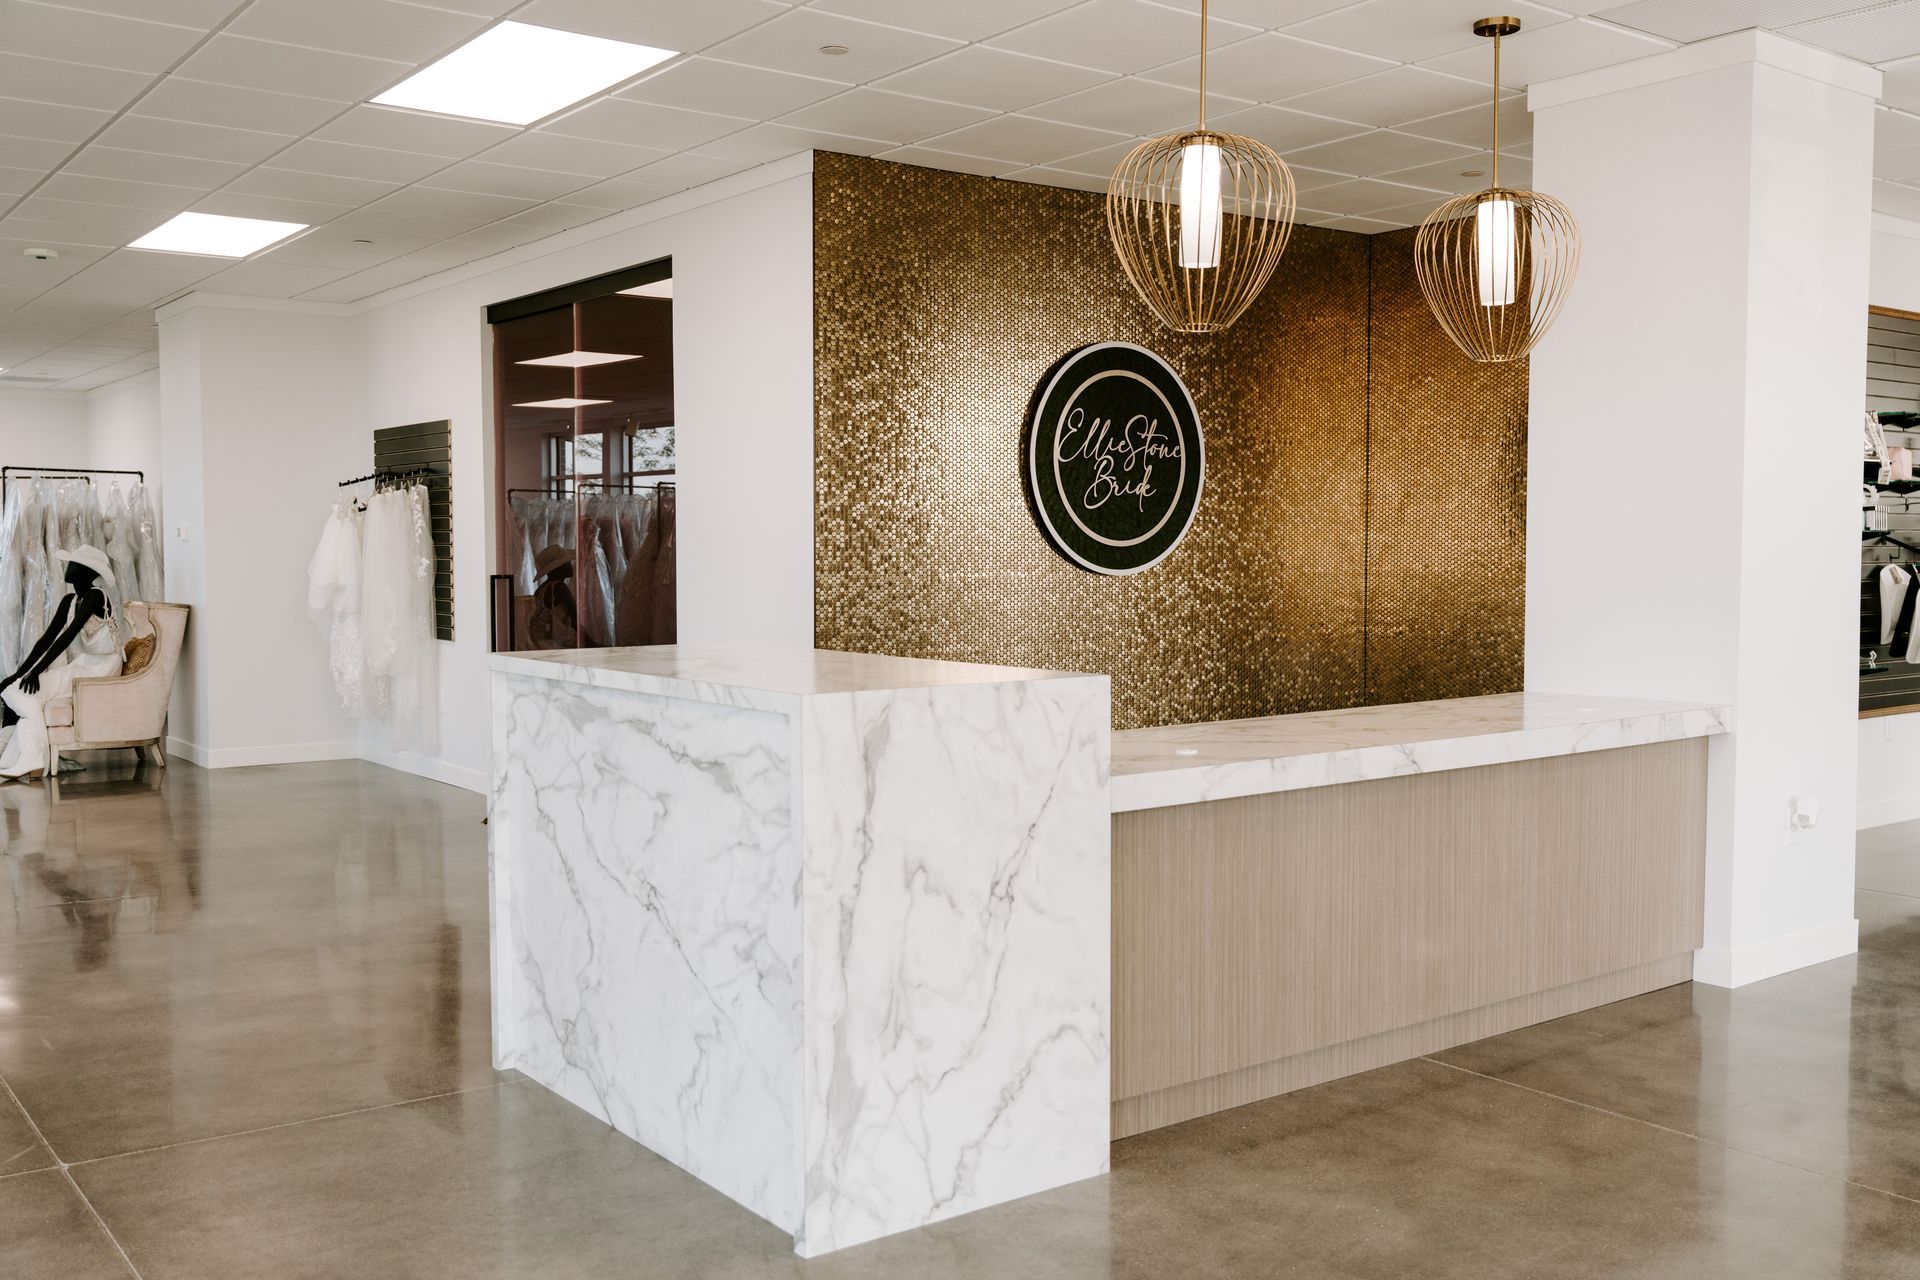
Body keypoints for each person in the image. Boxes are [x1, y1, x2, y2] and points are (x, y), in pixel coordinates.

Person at [0, 546, 127, 780]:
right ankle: (17, 756)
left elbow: (67, 637)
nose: (68, 567)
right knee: (13, 688)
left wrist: (37, 672)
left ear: (86, 571)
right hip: (84, 663)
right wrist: (19, 673)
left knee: (24, 694)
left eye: (73, 563)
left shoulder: (96, 596)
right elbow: (45, 640)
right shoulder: (70, 599)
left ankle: (32, 759)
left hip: (102, 668)